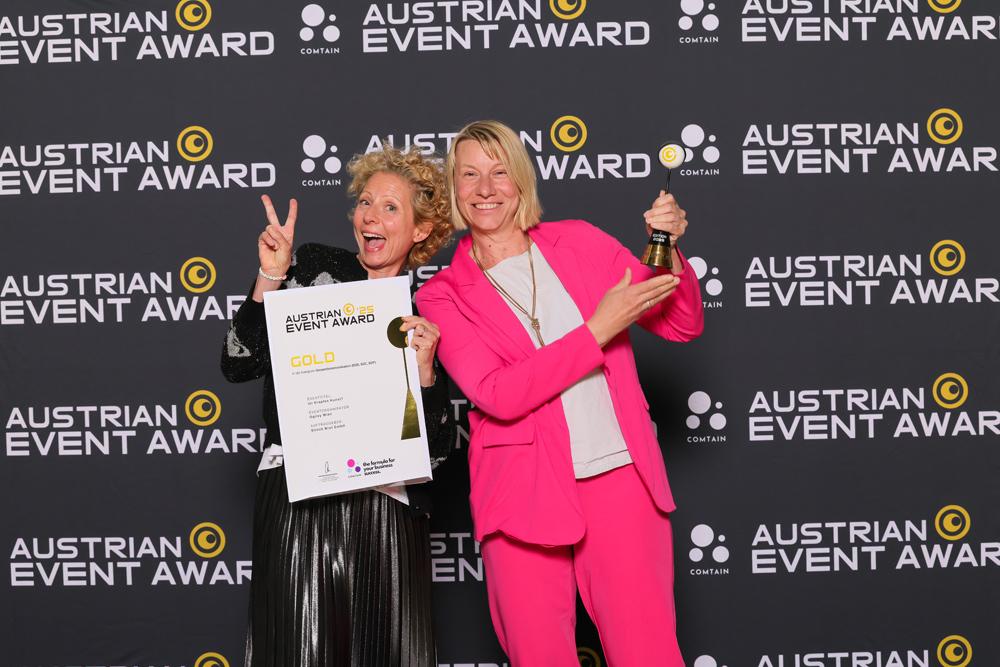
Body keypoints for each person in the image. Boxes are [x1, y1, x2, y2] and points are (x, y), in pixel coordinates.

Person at [415, 120, 704, 666]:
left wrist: (667, 247)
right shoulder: (442, 295)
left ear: (521, 180)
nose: (485, 189)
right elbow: (497, 394)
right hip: (520, 493)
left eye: (499, 172)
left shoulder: (579, 241)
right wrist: (598, 328)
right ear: (453, 187)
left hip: (620, 474)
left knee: (648, 653)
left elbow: (679, 322)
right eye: (469, 175)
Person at [221, 144, 456, 667]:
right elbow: (237, 363)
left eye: (390, 207)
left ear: (421, 230)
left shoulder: (428, 314)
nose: (370, 216)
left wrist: (424, 374)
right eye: (365, 202)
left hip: (386, 506)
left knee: (387, 652)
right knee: (294, 649)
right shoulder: (310, 269)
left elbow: (437, 454)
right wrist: (270, 277)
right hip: (297, 495)